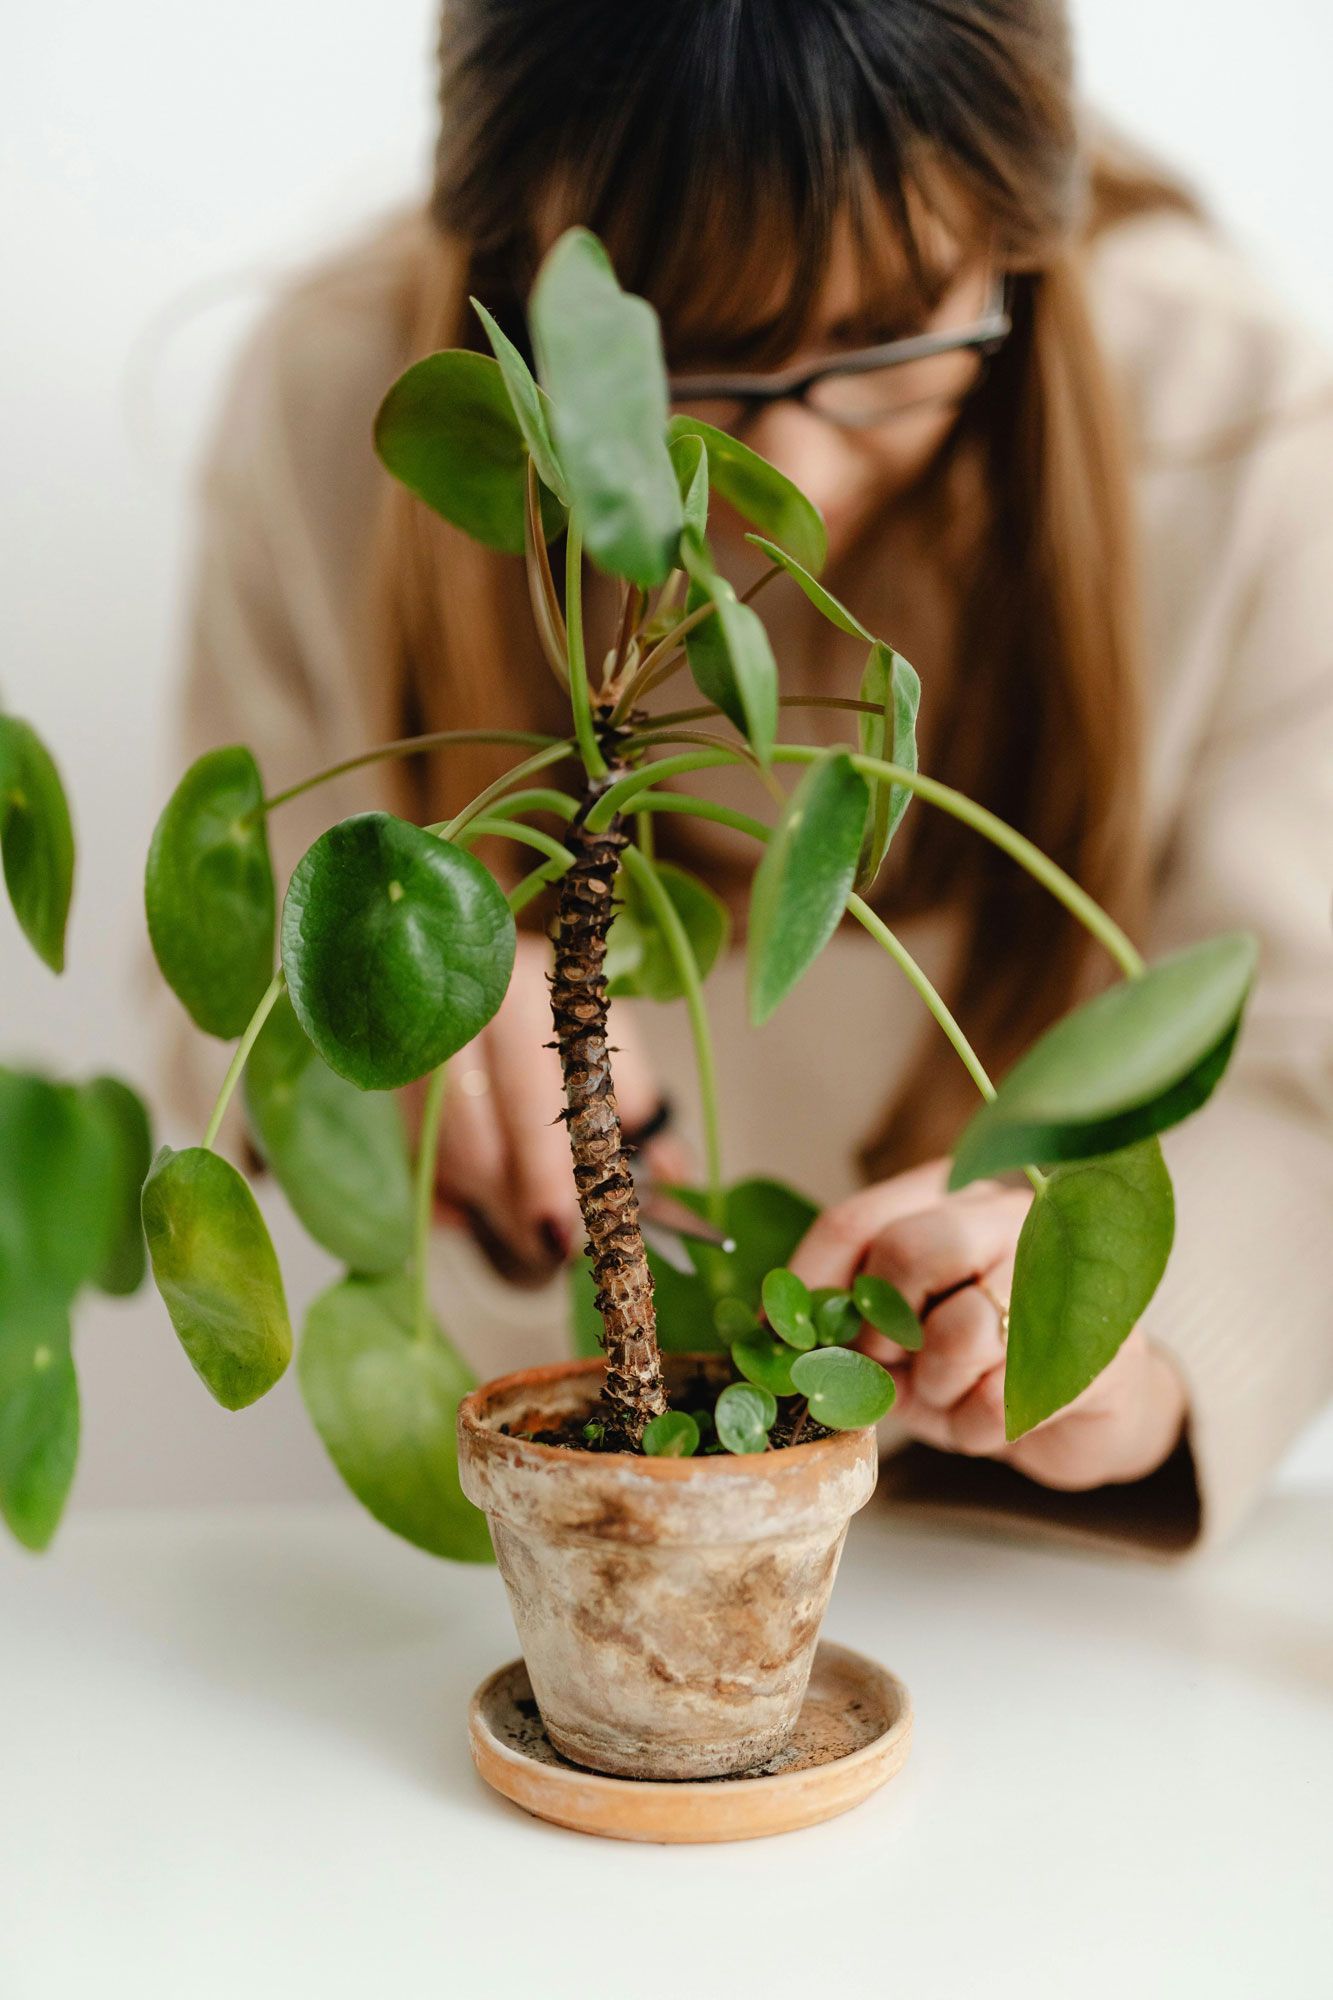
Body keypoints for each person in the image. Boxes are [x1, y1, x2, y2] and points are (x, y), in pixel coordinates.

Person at [172, 0, 1333, 1553]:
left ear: (1018, 234)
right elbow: (225, 1022)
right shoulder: (346, 412)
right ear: (508, 257)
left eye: (889, 338)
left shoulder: (1236, 422)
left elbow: (1305, 1058)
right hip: (545, 1515)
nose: (805, 462)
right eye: (685, 359)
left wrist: (1114, 1316)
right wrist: (388, 1047)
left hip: (1025, 1574)